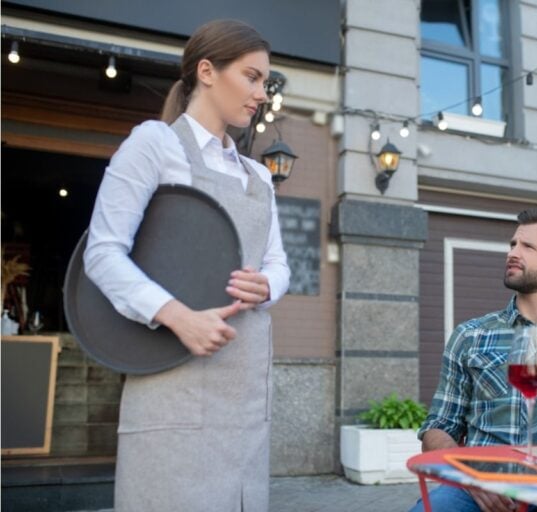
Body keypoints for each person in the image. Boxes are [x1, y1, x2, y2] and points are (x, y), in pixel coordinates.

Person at [83, 19, 290, 512]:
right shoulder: (154, 144)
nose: (261, 93)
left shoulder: (258, 175)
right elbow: (102, 252)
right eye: (252, 77)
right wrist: (178, 315)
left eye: (266, 82)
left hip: (244, 395)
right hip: (172, 383)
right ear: (207, 71)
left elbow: (278, 262)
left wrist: (268, 287)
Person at [410, 207, 537, 512]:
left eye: (528, 246)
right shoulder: (471, 335)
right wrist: (471, 476)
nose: (512, 253)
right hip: (479, 487)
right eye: (512, 244)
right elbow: (437, 428)